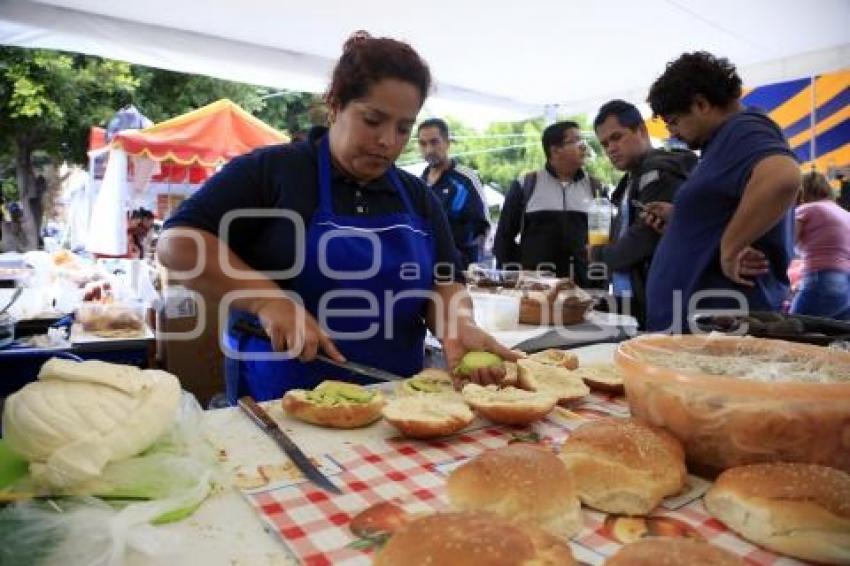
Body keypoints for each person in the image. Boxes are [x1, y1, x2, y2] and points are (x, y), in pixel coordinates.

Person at [157, 31, 517, 403]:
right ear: (335, 106)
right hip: (280, 401)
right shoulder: (272, 171)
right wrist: (267, 301)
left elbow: (445, 282)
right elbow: (178, 244)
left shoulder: (418, 197)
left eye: (403, 128)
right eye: (373, 120)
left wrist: (459, 325)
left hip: (395, 402)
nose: (387, 141)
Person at [643, 52, 801, 332]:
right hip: (700, 325)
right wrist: (682, 218)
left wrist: (732, 247)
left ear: (701, 104)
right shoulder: (722, 142)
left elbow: (782, 176)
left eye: (674, 121)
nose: (672, 132)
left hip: (719, 325)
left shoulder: (743, 128)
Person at [590, 100, 697, 328]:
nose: (610, 148)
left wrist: (598, 255)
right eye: (605, 144)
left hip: (667, 301)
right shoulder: (632, 179)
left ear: (641, 130)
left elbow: (642, 240)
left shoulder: (660, 171)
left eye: (617, 137)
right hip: (638, 299)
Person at [493, 121, 603, 284]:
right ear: (555, 150)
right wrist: (515, 276)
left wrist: (597, 283)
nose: (584, 146)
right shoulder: (526, 184)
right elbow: (503, 238)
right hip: (535, 290)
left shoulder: (596, 188)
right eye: (576, 141)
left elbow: (601, 242)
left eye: (583, 141)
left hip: (582, 289)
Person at [417, 118, 489, 268]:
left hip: (459, 269)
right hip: (425, 267)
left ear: (447, 143)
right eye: (423, 144)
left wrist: (470, 266)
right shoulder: (418, 184)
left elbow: (483, 225)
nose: (429, 149)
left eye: (434, 142)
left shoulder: (466, 179)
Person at [789, 171, 850, 319]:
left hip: (822, 279)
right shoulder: (845, 214)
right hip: (846, 283)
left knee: (791, 330)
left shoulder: (806, 210)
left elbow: (786, 243)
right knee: (834, 336)